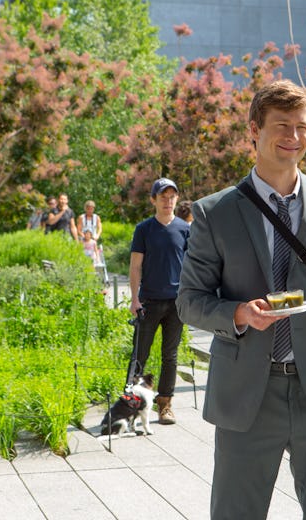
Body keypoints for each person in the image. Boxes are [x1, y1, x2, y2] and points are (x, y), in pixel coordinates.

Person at [176, 80, 306, 519]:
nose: (294, 137)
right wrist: (238, 314)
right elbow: (189, 300)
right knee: (236, 512)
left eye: (302, 127)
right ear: (254, 130)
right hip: (248, 393)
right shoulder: (215, 212)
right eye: (282, 125)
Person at [126, 177, 191, 426]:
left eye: (172, 196)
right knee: (139, 354)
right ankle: (132, 405)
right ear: (153, 199)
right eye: (162, 196)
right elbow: (135, 266)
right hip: (149, 302)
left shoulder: (186, 230)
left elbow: (193, 267)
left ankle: (165, 405)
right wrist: (134, 299)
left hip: (176, 304)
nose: (168, 200)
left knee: (170, 356)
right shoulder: (144, 229)